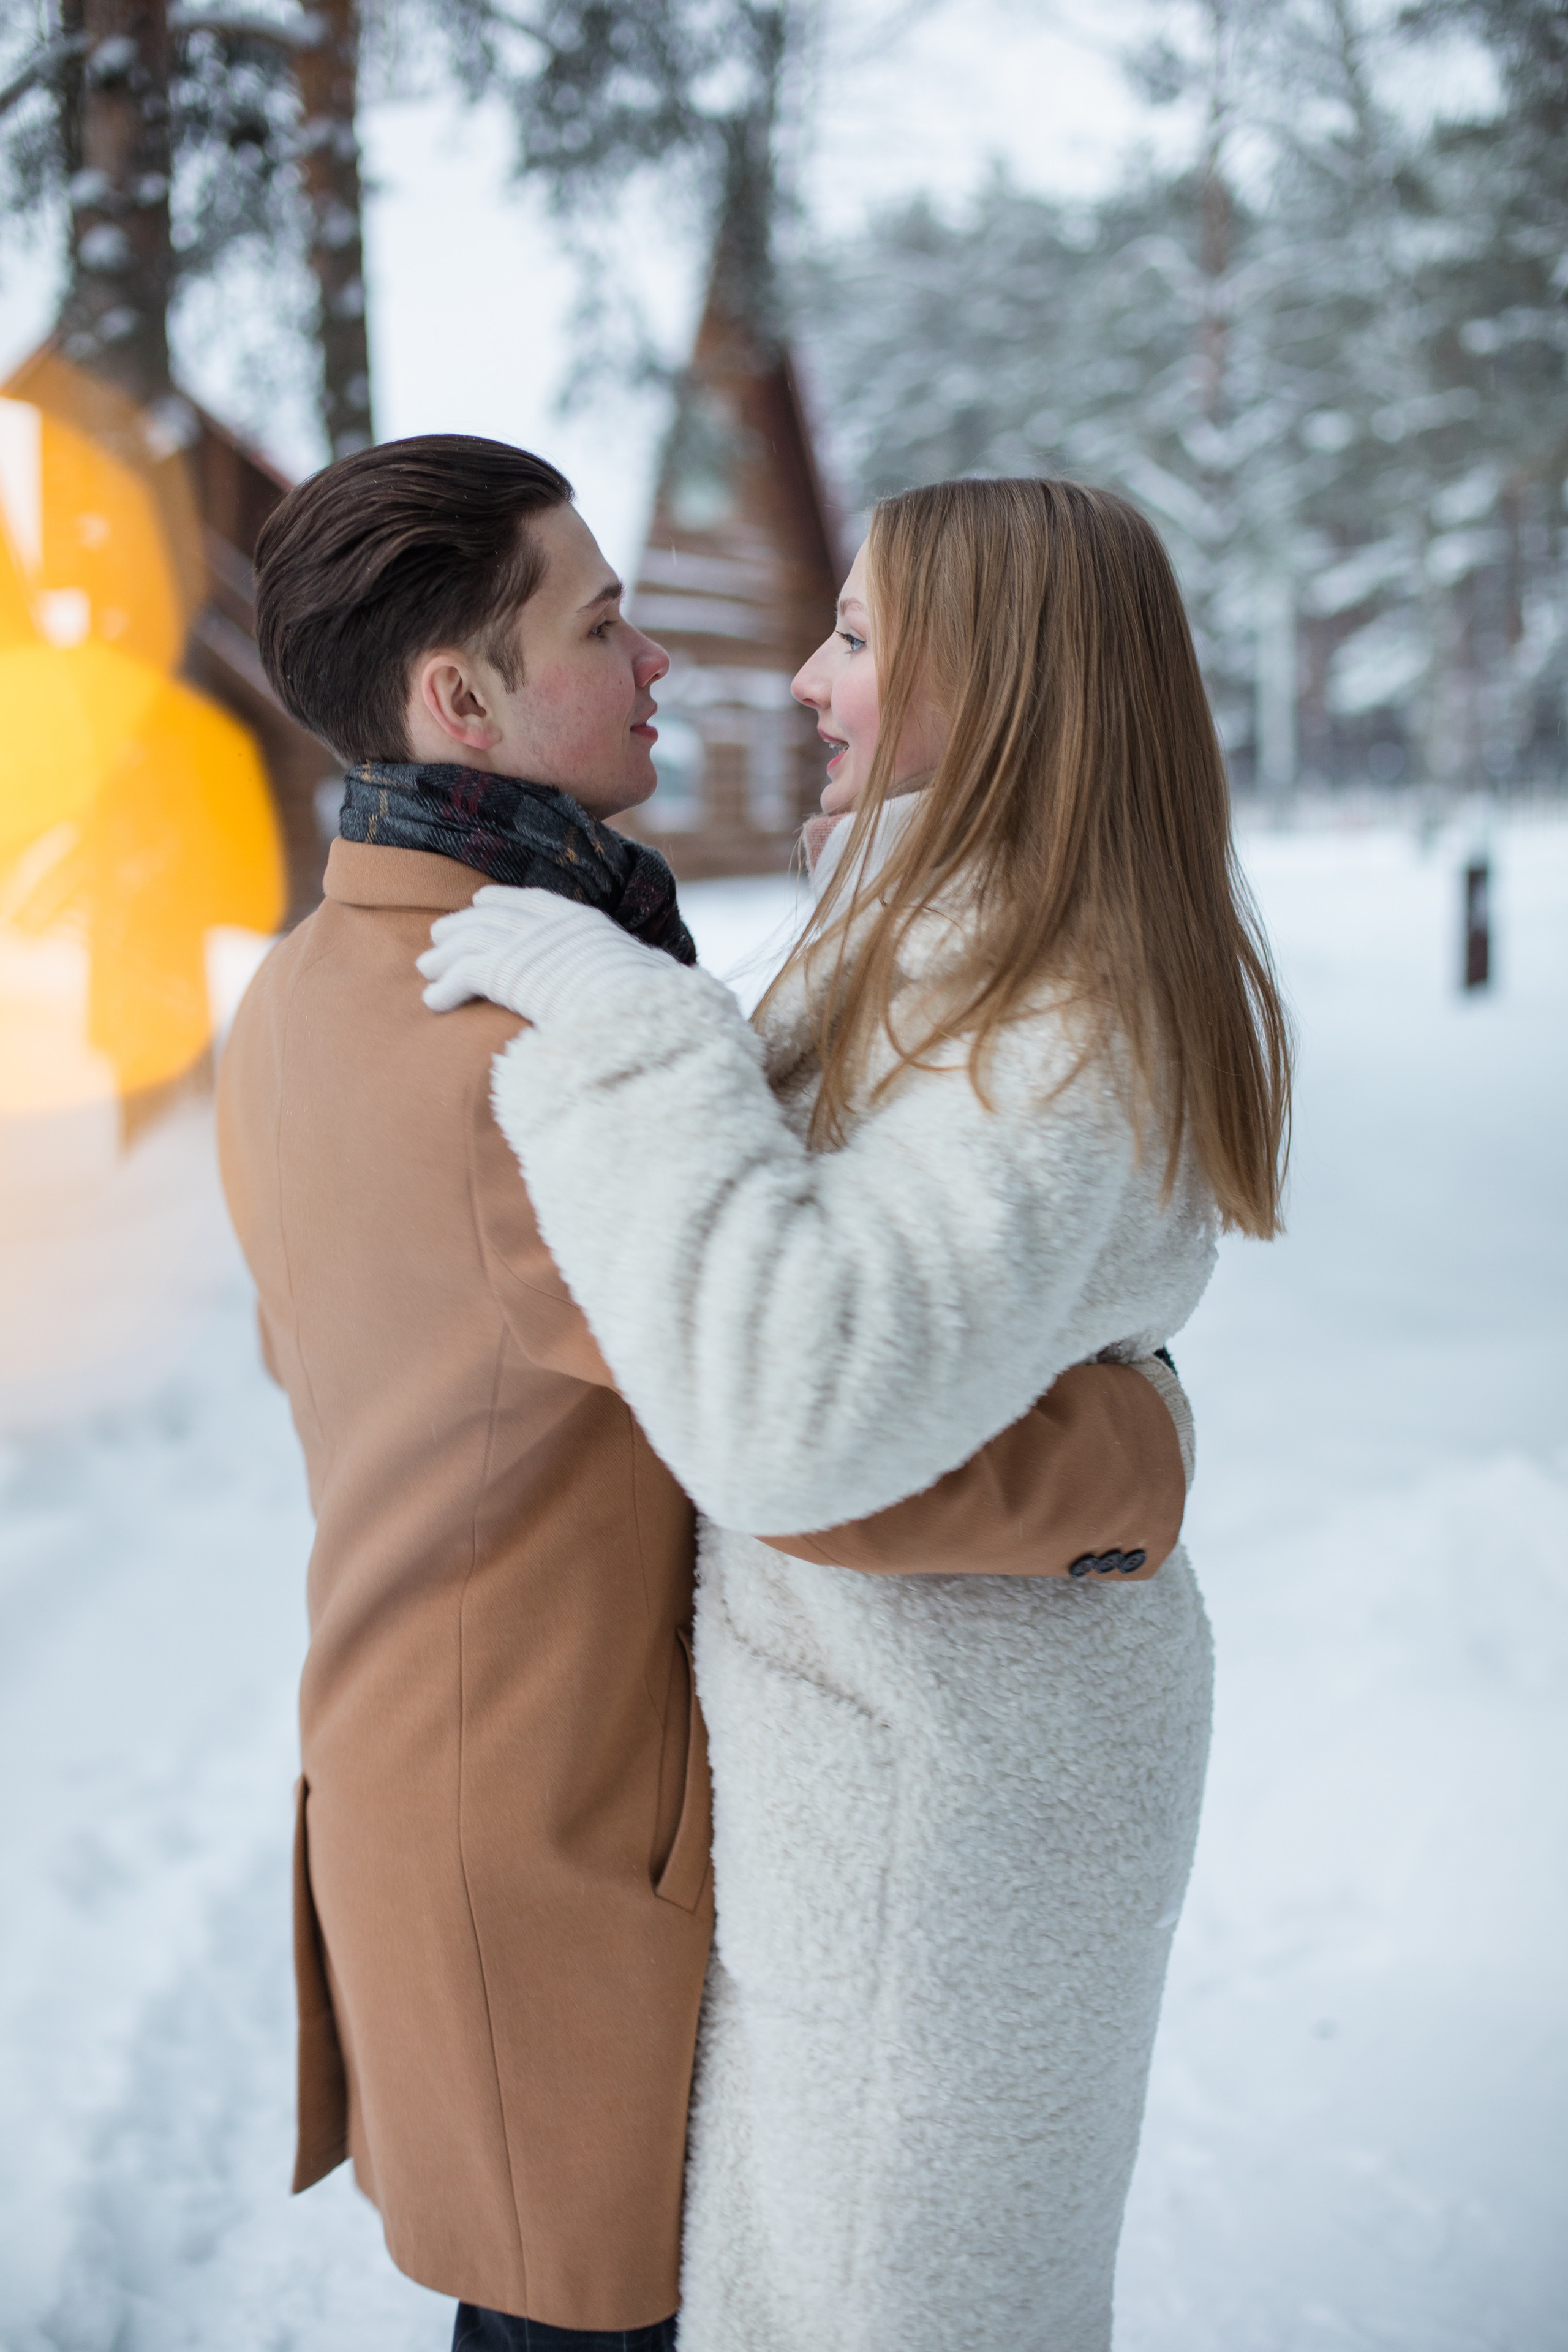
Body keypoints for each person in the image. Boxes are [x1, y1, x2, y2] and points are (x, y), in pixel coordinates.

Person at [216, 439, 1197, 2350]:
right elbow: (823, 1452)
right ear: (462, 700)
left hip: (442, 1772)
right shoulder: (511, 1044)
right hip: (569, 1832)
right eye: (601, 625)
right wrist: (1135, 1451)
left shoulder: (323, 973)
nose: (665, 657)